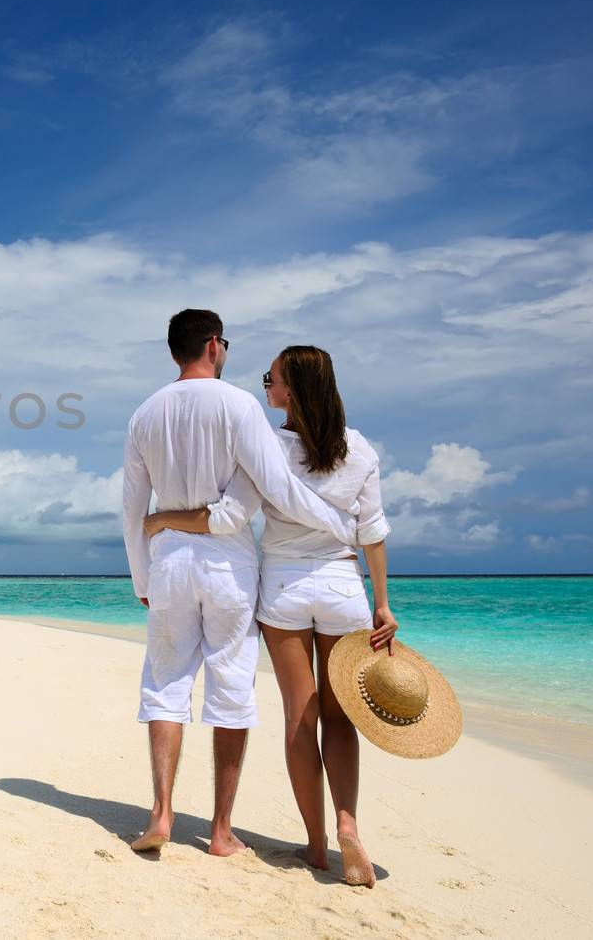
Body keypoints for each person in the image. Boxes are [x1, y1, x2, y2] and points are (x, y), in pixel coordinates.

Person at [143, 345, 392, 886]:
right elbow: (373, 531)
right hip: (343, 587)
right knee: (340, 717)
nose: (265, 388)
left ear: (293, 390)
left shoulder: (268, 446)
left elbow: (231, 514)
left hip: (283, 587)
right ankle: (348, 824)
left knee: (301, 718)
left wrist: (161, 518)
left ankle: (318, 844)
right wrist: (382, 604)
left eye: (271, 379)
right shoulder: (361, 449)